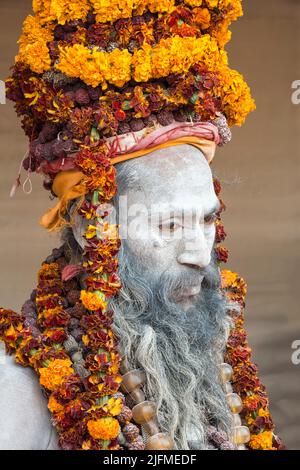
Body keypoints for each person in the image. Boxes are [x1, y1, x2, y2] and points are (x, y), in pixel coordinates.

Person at [0, 0, 283, 451]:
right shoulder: (14, 394)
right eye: (169, 225)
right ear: (87, 226)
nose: (198, 252)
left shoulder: (212, 355)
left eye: (208, 219)